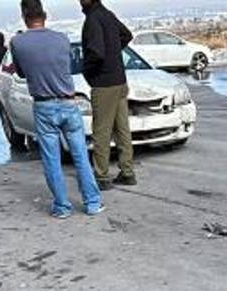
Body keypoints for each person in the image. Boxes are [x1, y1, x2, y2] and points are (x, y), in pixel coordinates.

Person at [10, 0, 103, 219]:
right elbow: (67, 66)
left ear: (24, 17)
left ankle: (62, 207)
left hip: (43, 105)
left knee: (52, 158)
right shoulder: (62, 39)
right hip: (69, 103)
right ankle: (92, 203)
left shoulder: (17, 42)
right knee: (80, 155)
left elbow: (21, 73)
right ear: (45, 14)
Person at [80, 0, 135, 189]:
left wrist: (87, 71)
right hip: (120, 80)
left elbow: (96, 53)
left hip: (104, 84)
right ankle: (127, 172)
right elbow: (126, 35)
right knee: (122, 129)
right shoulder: (108, 15)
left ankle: (101, 176)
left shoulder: (93, 19)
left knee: (101, 132)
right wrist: (113, 53)